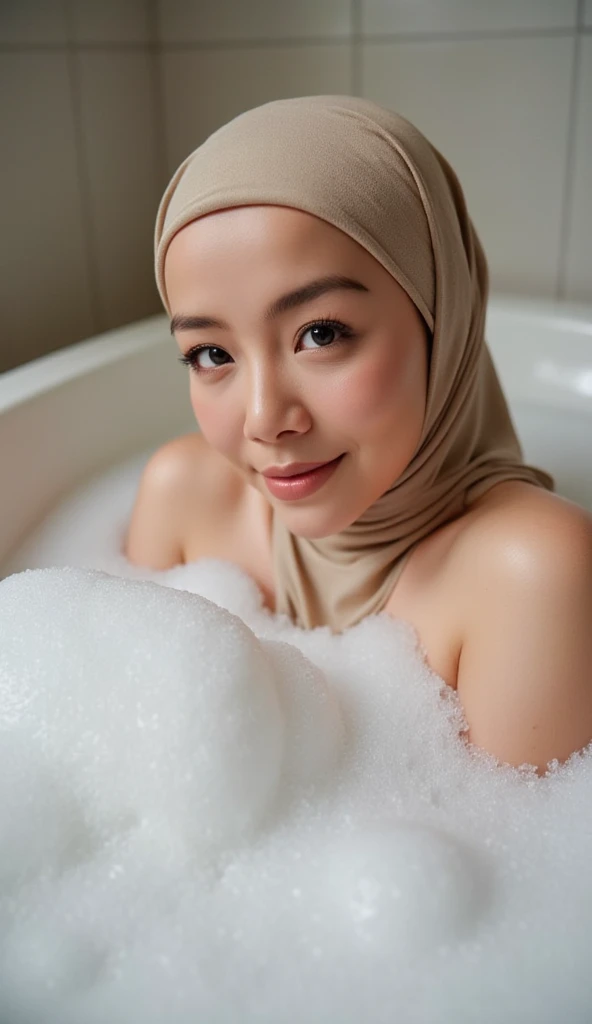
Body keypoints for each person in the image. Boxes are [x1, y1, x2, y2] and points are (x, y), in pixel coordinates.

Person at [125, 95, 592, 776]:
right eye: (211, 353)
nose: (264, 418)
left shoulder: (531, 575)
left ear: (442, 319)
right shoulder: (183, 498)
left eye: (320, 334)